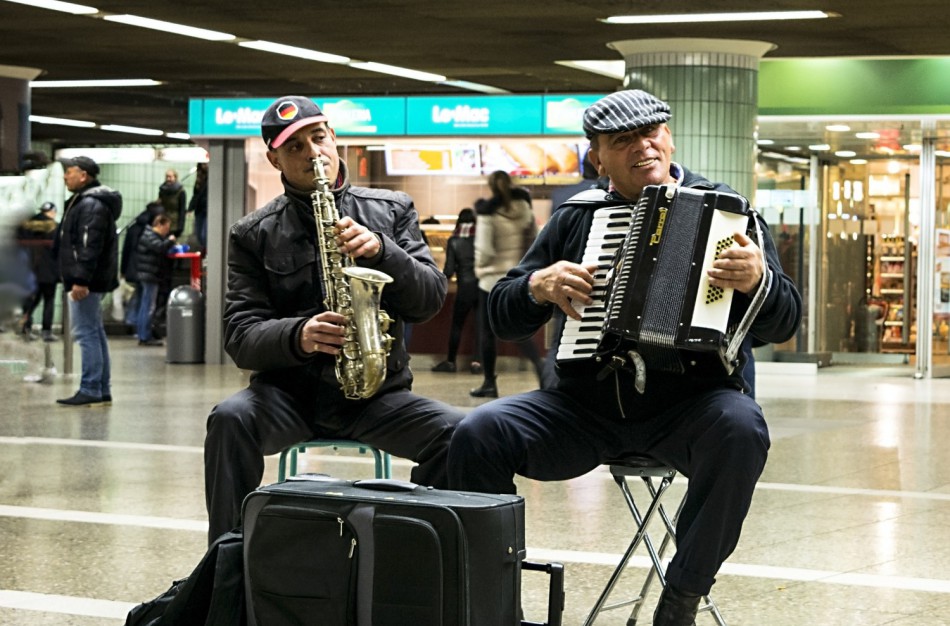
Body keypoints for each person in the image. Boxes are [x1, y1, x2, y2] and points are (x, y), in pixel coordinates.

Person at [447, 90, 802, 626]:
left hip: (692, 405)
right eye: (623, 140)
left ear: (670, 136)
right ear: (598, 157)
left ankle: (681, 597)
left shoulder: (729, 213)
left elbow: (785, 321)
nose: (644, 146)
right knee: (477, 434)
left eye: (652, 132)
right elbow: (502, 315)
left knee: (742, 428)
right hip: (583, 410)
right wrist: (536, 287)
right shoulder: (578, 217)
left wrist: (759, 283)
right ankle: (495, 607)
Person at [204, 96, 463, 544]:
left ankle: (423, 552)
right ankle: (227, 562)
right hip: (289, 396)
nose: (312, 153)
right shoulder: (251, 233)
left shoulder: (392, 209)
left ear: (334, 138)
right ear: (274, 159)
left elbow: (429, 299)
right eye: (295, 147)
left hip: (379, 399)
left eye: (318, 138)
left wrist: (384, 251)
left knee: (467, 436)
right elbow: (240, 335)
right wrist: (297, 335)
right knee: (229, 419)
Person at [54, 156, 123, 406]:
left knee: (85, 334)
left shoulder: (90, 204)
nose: (65, 176)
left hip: (86, 281)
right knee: (94, 332)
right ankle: (101, 387)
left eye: (69, 172)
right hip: (92, 278)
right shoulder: (88, 201)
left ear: (83, 175)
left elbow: (88, 246)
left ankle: (91, 387)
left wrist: (80, 279)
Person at [470, 171, 544, 398]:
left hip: (491, 280)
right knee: (518, 330)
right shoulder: (524, 208)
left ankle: (489, 382)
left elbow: (485, 250)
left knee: (487, 333)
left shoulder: (487, 213)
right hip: (518, 278)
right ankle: (542, 369)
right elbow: (534, 238)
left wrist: (479, 268)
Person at [431, 208, 482, 374]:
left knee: (457, 325)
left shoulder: (454, 240)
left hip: (464, 288)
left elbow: (449, 270)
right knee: (480, 326)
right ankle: (477, 363)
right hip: (482, 287)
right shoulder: (481, 239)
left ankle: (451, 362)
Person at [17, 201, 60, 341]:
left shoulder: (26, 226)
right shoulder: (55, 227)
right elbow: (59, 250)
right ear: (52, 212)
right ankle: (46, 331)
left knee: (30, 301)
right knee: (49, 300)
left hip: (30, 269)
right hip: (49, 271)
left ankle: (25, 327)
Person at [134, 214, 176, 346]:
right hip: (150, 275)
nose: (167, 231)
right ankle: (145, 336)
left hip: (148, 274)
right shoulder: (149, 236)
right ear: (159, 225)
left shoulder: (149, 235)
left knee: (145, 305)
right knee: (148, 307)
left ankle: (143, 334)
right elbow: (159, 247)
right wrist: (170, 241)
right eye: (166, 227)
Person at [158, 169, 187, 238]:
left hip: (174, 224)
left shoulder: (181, 192)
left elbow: (182, 210)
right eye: (167, 177)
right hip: (163, 222)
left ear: (175, 178)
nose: (168, 179)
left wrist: (180, 227)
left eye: (170, 177)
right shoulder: (162, 190)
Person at [187, 162, 208, 251]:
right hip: (200, 210)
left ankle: (207, 252)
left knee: (204, 235)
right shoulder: (200, 178)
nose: (205, 165)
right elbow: (196, 195)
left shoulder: (212, 176)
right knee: (199, 235)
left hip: (207, 210)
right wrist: (190, 208)